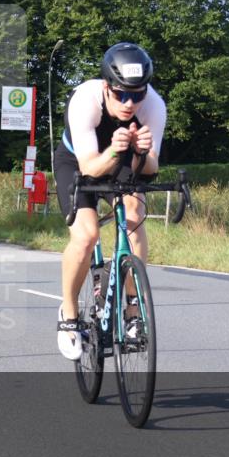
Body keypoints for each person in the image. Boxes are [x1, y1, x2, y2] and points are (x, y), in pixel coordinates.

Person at [54, 43, 166, 360]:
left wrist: (142, 154)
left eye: (137, 94)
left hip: (122, 158)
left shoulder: (154, 107)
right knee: (87, 235)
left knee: (134, 212)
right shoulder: (85, 101)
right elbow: (90, 168)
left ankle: (133, 311)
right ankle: (69, 315)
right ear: (107, 87)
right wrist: (116, 150)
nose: (130, 103)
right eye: (121, 95)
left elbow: (151, 169)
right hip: (77, 162)